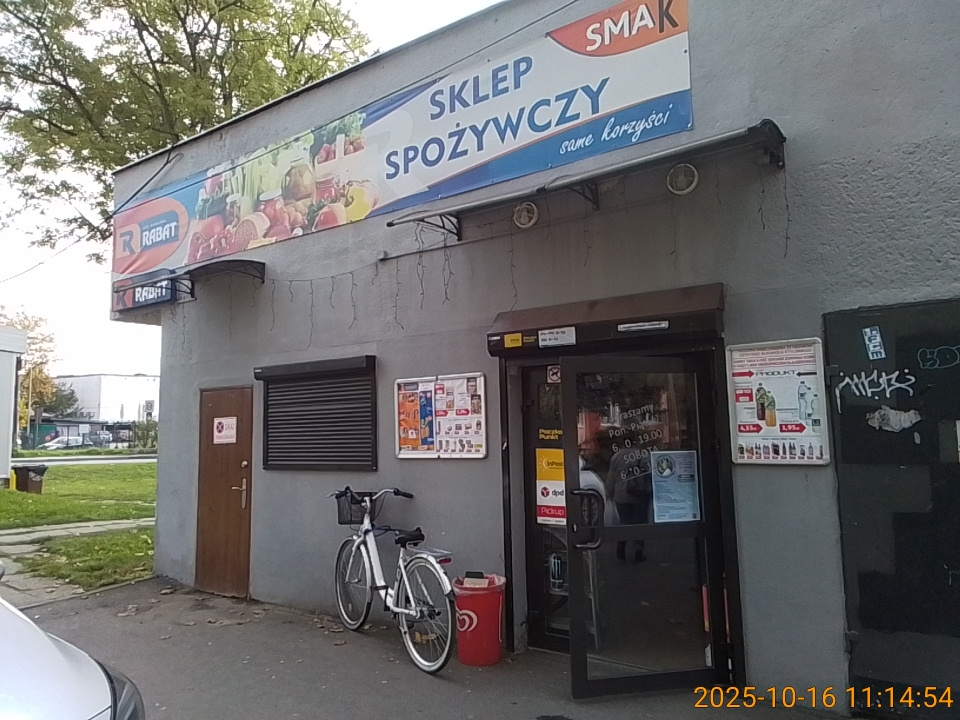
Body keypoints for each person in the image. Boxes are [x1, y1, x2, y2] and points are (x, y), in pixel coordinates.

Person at [607, 432, 652, 562]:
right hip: (640, 495)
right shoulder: (643, 455)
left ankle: (621, 547)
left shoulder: (616, 456)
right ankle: (638, 551)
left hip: (621, 495)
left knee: (624, 521)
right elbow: (650, 475)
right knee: (640, 523)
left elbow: (611, 478)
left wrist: (609, 493)